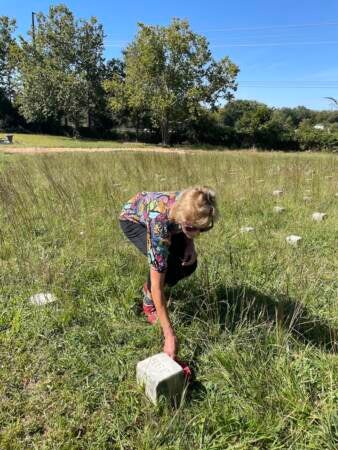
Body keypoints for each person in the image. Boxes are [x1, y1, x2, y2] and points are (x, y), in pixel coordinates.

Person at [119, 186, 218, 359]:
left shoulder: (197, 200)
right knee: (164, 266)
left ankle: (153, 289)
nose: (198, 233)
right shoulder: (159, 225)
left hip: (172, 219)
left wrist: (190, 245)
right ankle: (148, 300)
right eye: (193, 228)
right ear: (182, 220)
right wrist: (169, 336)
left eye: (202, 229)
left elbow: (189, 224)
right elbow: (158, 286)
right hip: (133, 218)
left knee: (189, 265)